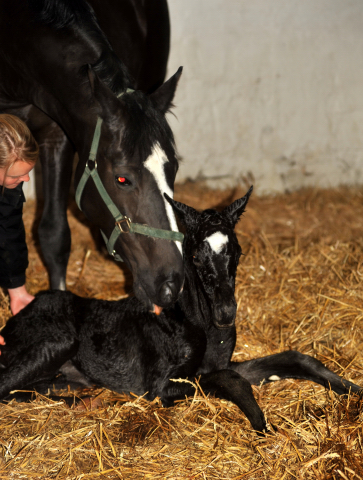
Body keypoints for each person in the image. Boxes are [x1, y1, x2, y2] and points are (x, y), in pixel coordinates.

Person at [0, 113, 39, 316]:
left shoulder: (11, 182)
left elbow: (9, 231)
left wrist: (17, 290)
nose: (26, 179)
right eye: (17, 175)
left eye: (27, 172)